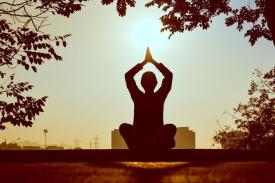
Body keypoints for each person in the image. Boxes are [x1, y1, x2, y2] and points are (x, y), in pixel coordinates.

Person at [119, 48, 177, 150]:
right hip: (150, 137)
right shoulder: (159, 96)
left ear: (141, 83)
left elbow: (128, 76)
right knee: (171, 128)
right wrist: (152, 62)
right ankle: (156, 145)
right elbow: (169, 75)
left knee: (124, 127)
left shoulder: (138, 96)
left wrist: (145, 62)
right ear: (156, 83)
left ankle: (140, 146)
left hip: (141, 138)